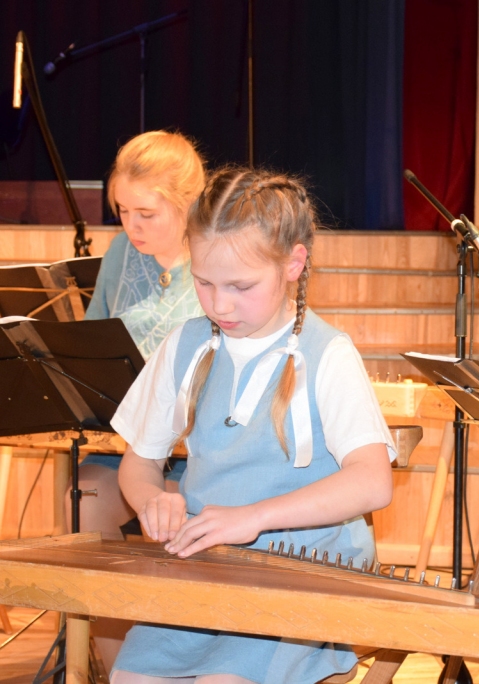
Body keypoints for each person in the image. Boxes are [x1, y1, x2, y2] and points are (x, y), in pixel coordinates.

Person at [109, 167, 396, 684]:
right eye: (204, 282)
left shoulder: (328, 353)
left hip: (302, 570)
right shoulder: (185, 344)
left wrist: (255, 517)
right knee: (131, 678)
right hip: (209, 567)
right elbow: (139, 466)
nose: (220, 304)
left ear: (293, 263)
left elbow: (373, 481)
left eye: (241, 286)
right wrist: (154, 499)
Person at [72, 131, 205, 670]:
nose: (132, 226)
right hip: (130, 447)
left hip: (197, 453)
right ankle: (119, 665)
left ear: (185, 204)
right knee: (82, 497)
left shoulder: (218, 254)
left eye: (146, 213)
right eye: (123, 211)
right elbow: (90, 345)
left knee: (189, 518)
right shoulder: (121, 253)